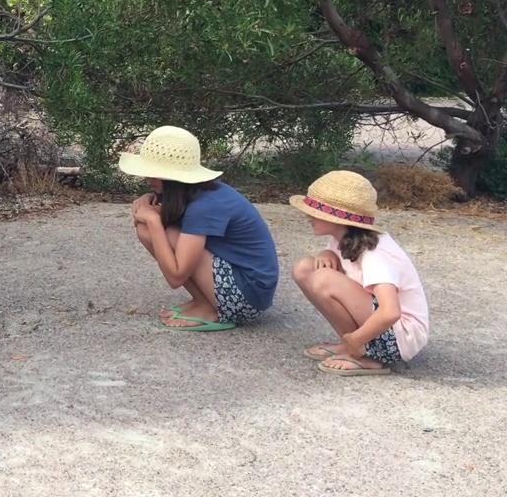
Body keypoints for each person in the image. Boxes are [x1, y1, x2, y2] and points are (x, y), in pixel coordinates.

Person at [119, 125, 280, 331]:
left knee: (153, 230)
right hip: (241, 284)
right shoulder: (195, 192)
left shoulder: (205, 206)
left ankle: (214, 310)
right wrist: (150, 202)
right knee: (147, 229)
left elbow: (175, 277)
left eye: (153, 174)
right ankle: (204, 302)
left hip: (248, 297)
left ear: (172, 178)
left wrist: (153, 220)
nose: (147, 180)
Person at [289, 170, 430, 376]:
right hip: (382, 327)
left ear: (337, 219)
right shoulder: (344, 237)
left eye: (316, 213)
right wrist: (326, 252)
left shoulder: (374, 254)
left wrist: (356, 339)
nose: (308, 216)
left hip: (400, 337)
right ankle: (353, 347)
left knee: (323, 279)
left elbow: (390, 311)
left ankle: (366, 354)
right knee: (304, 268)